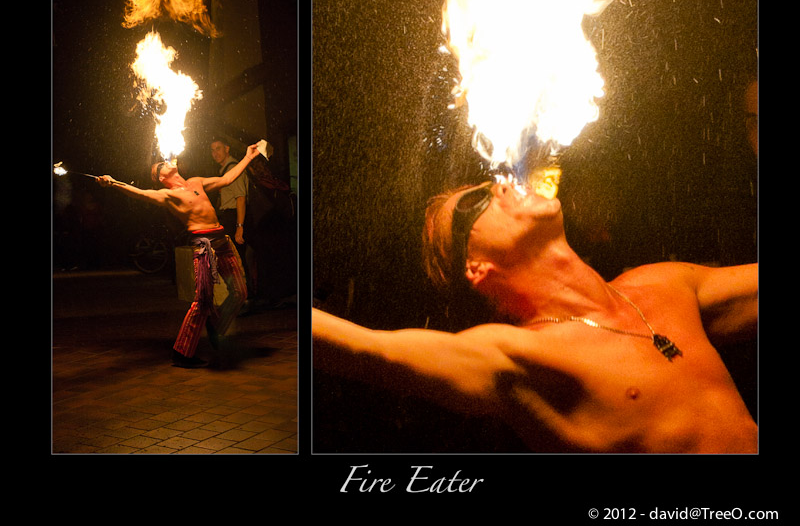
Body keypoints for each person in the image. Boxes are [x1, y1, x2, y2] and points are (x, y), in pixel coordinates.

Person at [313, 179, 758, 453]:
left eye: (495, 181)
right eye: (477, 203)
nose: (502, 185)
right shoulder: (519, 355)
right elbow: (361, 348)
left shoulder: (663, 283)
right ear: (476, 267)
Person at [96, 143, 261, 368]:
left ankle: (215, 326)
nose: (167, 161)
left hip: (222, 240)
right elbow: (141, 193)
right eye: (160, 165)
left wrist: (248, 157)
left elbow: (226, 179)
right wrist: (112, 182)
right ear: (161, 178)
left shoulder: (196, 181)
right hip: (203, 245)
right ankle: (182, 353)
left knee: (240, 292)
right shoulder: (168, 195)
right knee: (203, 301)